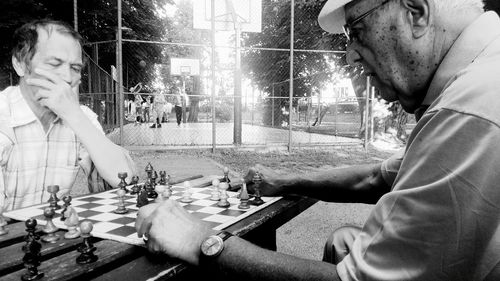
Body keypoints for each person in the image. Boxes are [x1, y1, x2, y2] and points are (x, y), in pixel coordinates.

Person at [136, 0, 500, 280]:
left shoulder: (469, 107)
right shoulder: (480, 72)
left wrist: (201, 241)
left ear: (416, 12)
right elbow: (379, 178)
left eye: (357, 30)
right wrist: (287, 180)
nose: (350, 55)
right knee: (343, 240)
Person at [0, 20, 136, 212]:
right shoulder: (3, 115)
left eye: (75, 68)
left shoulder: (80, 118)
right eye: (54, 64)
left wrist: (73, 115)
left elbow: (125, 179)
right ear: (20, 64)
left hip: (53, 235)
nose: (67, 77)